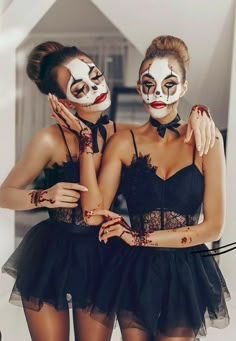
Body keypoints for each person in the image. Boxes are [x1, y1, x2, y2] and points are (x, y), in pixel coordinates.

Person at [1, 40, 215, 341]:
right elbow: (4, 194)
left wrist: (199, 110)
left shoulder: (121, 134)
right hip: (53, 252)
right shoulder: (48, 140)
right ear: (63, 101)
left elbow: (161, 124)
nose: (95, 87)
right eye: (79, 88)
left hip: (103, 252)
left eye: (95, 75)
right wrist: (41, 196)